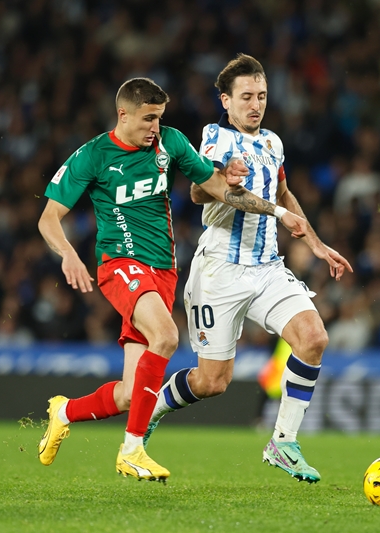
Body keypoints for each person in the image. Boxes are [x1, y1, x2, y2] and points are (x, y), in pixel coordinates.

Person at [36, 77, 312, 482]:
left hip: (163, 271)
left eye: (160, 118)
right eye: (148, 118)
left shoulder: (171, 143)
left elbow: (218, 189)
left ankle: (64, 411)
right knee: (166, 336)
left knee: (132, 393)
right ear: (123, 114)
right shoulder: (93, 155)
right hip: (120, 264)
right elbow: (48, 219)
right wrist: (69, 255)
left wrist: (275, 210)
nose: (155, 127)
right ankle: (132, 450)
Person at [143, 55, 353, 483]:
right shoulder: (215, 138)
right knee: (211, 381)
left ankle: (283, 442)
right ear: (226, 99)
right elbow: (201, 193)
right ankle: (151, 409)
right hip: (219, 271)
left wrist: (315, 242)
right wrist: (225, 178)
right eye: (246, 97)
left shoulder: (274, 142)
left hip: (266, 267)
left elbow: (283, 191)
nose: (255, 105)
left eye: (261, 96)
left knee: (313, 337)